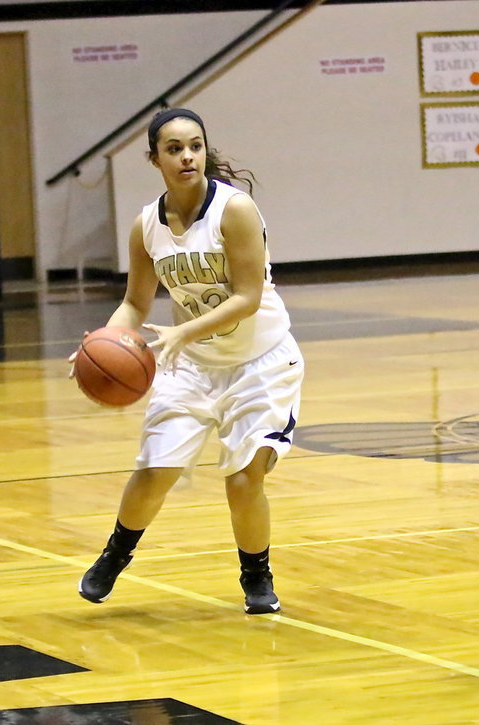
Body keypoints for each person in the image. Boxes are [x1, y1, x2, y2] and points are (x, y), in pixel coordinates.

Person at [74, 107, 303, 615]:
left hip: (260, 362)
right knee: (157, 469)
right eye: (174, 149)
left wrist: (182, 330)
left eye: (195, 146)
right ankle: (116, 553)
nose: (187, 157)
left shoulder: (235, 210)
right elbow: (136, 302)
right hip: (193, 364)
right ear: (154, 158)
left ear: (205, 151)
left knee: (244, 478)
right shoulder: (146, 225)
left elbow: (246, 296)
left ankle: (256, 573)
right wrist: (103, 341)